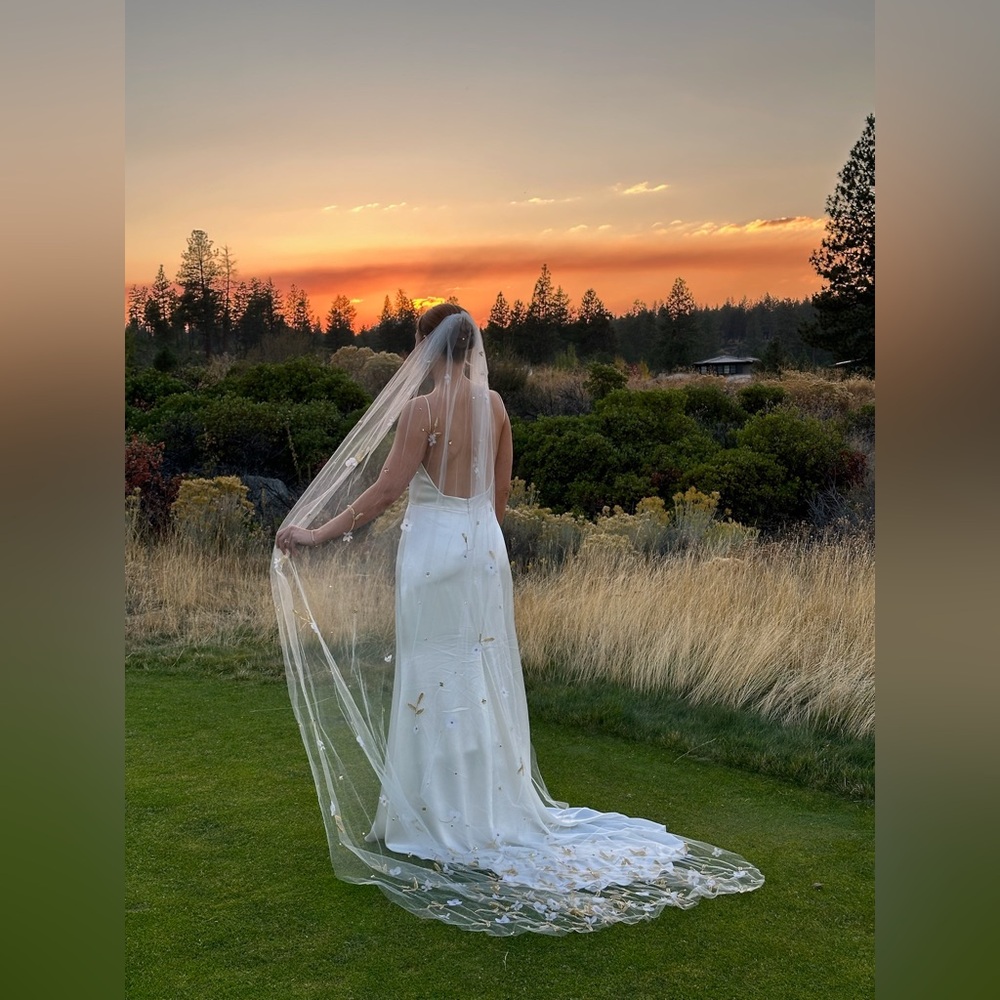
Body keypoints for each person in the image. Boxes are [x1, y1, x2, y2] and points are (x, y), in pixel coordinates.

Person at [273, 304, 762, 936]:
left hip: (434, 555)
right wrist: (481, 546)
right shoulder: (497, 405)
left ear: (426, 345)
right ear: (470, 348)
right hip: (482, 552)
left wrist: (314, 533)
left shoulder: (421, 411)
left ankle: (435, 813)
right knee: (479, 673)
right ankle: (488, 805)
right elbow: (499, 496)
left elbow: (385, 492)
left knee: (432, 672)